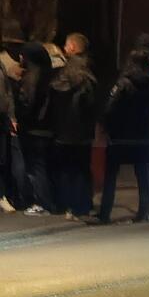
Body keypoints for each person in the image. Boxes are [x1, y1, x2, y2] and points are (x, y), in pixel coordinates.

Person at [97, 49, 149, 224]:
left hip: (121, 133)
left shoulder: (123, 82)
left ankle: (105, 213)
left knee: (111, 175)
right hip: (144, 131)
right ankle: (144, 212)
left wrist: (107, 125)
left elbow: (110, 107)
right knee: (143, 173)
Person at [50, 33, 97, 220]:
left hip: (66, 128)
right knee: (83, 169)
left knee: (68, 170)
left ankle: (70, 205)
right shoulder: (91, 69)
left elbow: (56, 92)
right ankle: (83, 205)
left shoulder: (66, 71)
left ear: (71, 47)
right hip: (84, 129)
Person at [18, 42, 56, 216]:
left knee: (35, 167)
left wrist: (22, 118)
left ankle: (41, 202)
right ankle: (48, 201)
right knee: (44, 166)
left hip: (34, 128)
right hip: (50, 128)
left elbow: (28, 103)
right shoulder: (52, 75)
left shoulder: (32, 78)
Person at [0, 56, 17, 213]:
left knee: (3, 160)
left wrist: (12, 116)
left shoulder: (1, 65)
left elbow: (8, 92)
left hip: (2, 117)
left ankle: (2, 195)